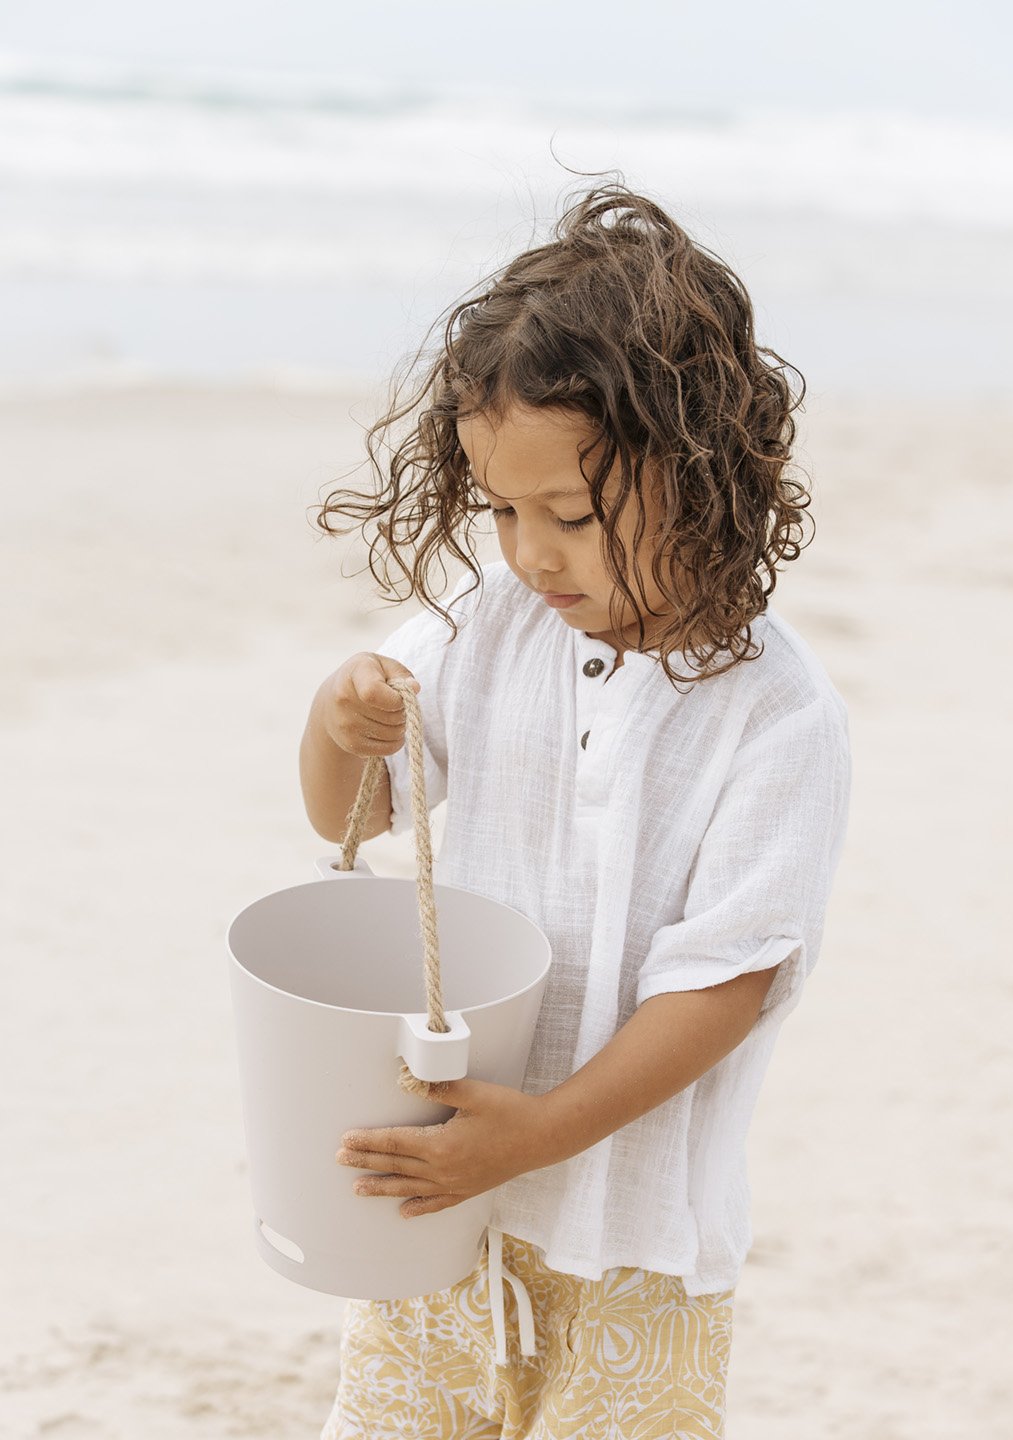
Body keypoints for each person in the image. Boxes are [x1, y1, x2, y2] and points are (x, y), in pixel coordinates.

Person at [299, 182, 851, 1440]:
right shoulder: (485, 626)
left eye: (572, 515)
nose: (530, 554)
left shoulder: (777, 718)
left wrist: (540, 1133)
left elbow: (728, 981)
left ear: (703, 478)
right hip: (445, 1177)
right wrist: (338, 729)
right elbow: (358, 817)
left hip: (631, 1232)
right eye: (499, 510)